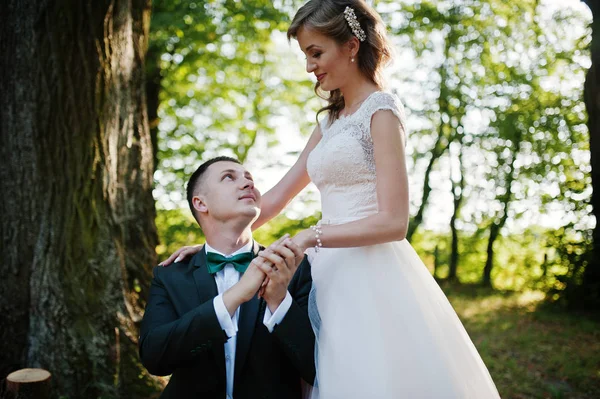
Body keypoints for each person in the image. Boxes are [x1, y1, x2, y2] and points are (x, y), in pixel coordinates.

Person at [162, 1, 500, 397]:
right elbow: (273, 200)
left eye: (316, 52)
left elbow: (394, 222)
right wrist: (212, 242)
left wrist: (309, 237)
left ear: (352, 45)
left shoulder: (382, 112)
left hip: (370, 273)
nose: (309, 66)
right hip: (320, 272)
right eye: (306, 55)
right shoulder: (329, 122)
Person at [140, 156, 315, 399]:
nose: (247, 183)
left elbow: (315, 368)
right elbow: (154, 357)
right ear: (201, 203)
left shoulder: (293, 267)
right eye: (229, 177)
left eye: (249, 178)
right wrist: (232, 298)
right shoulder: (170, 275)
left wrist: (278, 300)